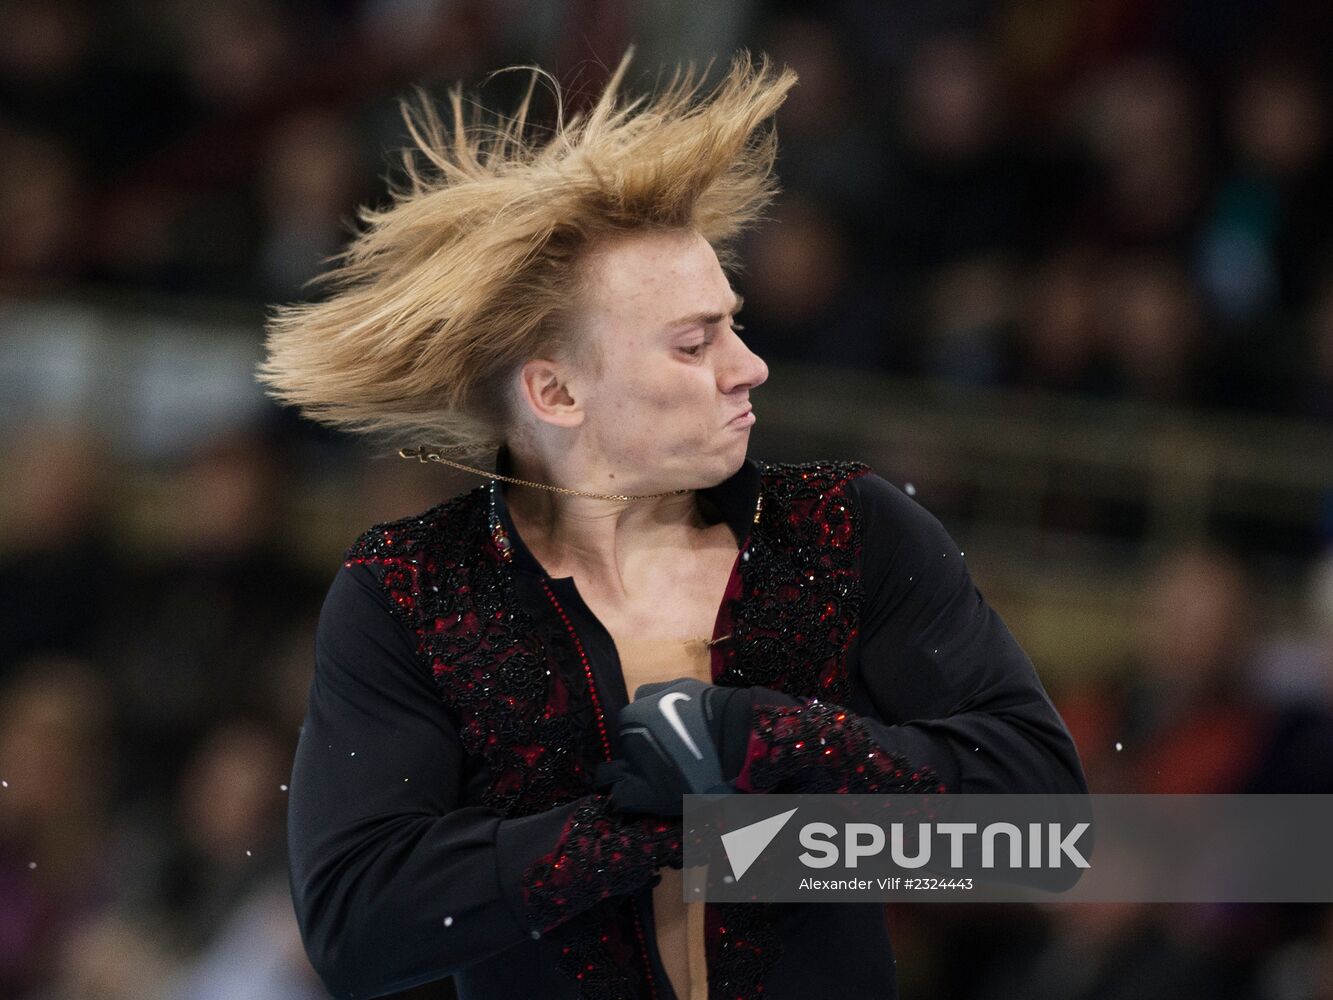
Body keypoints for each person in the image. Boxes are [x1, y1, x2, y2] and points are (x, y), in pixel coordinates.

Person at [256, 50, 1087, 1000]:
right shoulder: (411, 589)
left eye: (731, 325)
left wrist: (768, 738)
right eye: (695, 344)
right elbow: (355, 924)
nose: (749, 366)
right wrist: (625, 834)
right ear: (557, 391)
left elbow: (1039, 836)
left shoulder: (845, 531)